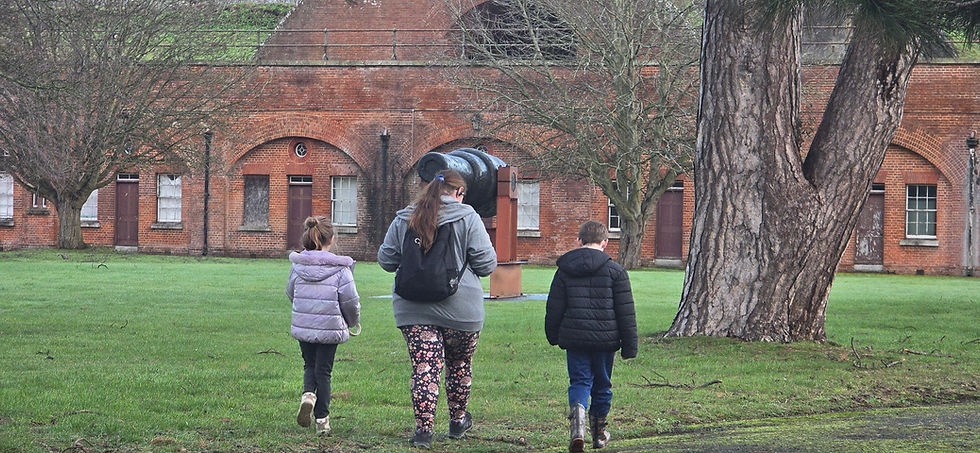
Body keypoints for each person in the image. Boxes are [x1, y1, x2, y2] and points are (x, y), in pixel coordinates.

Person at [378, 170, 497, 449]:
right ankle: (457, 421)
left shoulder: (404, 217)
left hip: (413, 308)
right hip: (461, 310)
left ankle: (423, 431)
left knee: (424, 368)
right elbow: (486, 265)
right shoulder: (468, 217)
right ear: (459, 193)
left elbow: (386, 259)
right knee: (459, 364)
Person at [545, 220, 637, 452]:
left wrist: (553, 334)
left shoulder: (564, 270)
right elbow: (626, 312)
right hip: (606, 340)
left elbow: (554, 308)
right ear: (605, 242)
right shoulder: (616, 272)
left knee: (579, 381)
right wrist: (629, 346)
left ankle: (578, 428)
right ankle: (598, 434)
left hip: (575, 338)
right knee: (602, 385)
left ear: (579, 241)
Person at [286, 216, 361, 436]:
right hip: (330, 326)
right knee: (324, 371)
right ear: (331, 239)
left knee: (309, 365)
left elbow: (291, 292)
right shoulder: (340, 269)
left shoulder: (297, 266)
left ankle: (308, 395)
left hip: (304, 325)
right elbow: (350, 301)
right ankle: (322, 421)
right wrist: (352, 322)